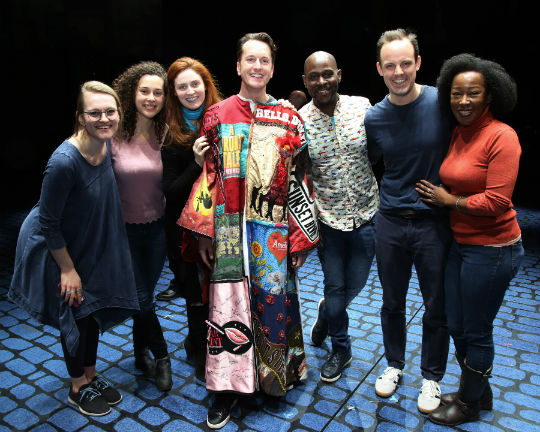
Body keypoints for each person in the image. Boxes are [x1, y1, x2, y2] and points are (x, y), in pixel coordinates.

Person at [179, 32, 318, 429]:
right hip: (226, 230)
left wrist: (298, 236)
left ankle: (276, 377)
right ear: (238, 66)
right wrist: (203, 231)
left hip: (272, 232)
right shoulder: (217, 115)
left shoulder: (291, 117)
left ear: (272, 68)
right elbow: (209, 177)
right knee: (227, 307)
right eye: (249, 60)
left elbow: (300, 182)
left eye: (264, 61)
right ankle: (226, 388)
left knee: (275, 303)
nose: (257, 67)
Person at [9, 81, 139, 416]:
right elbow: (49, 222)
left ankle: (91, 376)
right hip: (57, 246)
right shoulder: (64, 162)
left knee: (92, 311)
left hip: (89, 239)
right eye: (94, 112)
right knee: (77, 312)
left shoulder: (106, 144)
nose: (103, 118)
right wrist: (67, 269)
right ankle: (76, 385)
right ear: (80, 117)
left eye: (110, 111)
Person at [415, 53, 524, 426]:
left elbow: (497, 201)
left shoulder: (502, 136)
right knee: (458, 325)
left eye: (472, 93)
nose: (463, 101)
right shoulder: (460, 131)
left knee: (476, 331)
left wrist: (450, 200)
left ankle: (469, 405)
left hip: (493, 250)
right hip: (461, 245)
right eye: (457, 94)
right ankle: (478, 391)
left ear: (489, 95)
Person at [364, 28, 453, 414]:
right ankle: (394, 365)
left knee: (437, 304)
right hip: (391, 221)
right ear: (380, 70)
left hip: (435, 221)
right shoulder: (375, 117)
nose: (398, 72)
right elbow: (370, 163)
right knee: (391, 302)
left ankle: (432, 377)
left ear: (417, 63)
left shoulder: (443, 103)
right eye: (390, 66)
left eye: (405, 63)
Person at [299, 51, 378, 382]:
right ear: (305, 81)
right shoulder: (300, 120)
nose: (321, 82)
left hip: (368, 216)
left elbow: (380, 149)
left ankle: (326, 314)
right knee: (335, 288)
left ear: (339, 75)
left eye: (327, 74)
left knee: (355, 284)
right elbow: (300, 170)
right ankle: (341, 349)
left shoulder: (363, 107)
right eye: (314, 77)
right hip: (329, 222)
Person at [159, 56, 223, 380]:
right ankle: (199, 351)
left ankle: (219, 342)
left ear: (206, 84)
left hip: (222, 227)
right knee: (195, 296)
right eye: (181, 86)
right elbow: (170, 193)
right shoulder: (168, 131)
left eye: (195, 83)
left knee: (221, 289)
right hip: (183, 230)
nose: (190, 91)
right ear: (173, 92)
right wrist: (196, 164)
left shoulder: (223, 118)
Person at [111, 61, 172, 392]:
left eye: (158, 93)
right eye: (144, 91)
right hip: (125, 232)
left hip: (157, 230)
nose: (151, 98)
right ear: (131, 93)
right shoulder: (114, 132)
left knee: (143, 297)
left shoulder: (164, 133)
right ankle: (162, 356)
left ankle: (138, 355)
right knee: (141, 297)